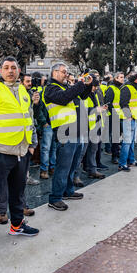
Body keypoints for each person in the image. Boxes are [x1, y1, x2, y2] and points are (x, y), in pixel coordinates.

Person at [0, 57, 40, 264]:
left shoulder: (23, 91)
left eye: (14, 68)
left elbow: (30, 118)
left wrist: (32, 143)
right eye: (6, 68)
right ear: (0, 70)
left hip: (22, 151)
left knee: (18, 193)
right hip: (1, 153)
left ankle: (17, 225)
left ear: (19, 70)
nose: (10, 71)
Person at [43, 63, 92, 211]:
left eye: (66, 72)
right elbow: (64, 98)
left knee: (72, 165)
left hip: (75, 131)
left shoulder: (65, 87)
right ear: (55, 72)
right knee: (63, 168)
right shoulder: (51, 88)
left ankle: (68, 191)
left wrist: (87, 85)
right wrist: (80, 83)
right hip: (65, 133)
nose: (66, 74)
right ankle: (55, 198)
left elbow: (82, 95)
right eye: (64, 72)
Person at [118, 73, 137, 171]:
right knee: (127, 141)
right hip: (129, 119)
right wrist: (129, 116)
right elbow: (123, 103)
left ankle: (131, 160)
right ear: (136, 80)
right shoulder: (127, 88)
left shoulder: (134, 88)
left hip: (134, 118)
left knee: (131, 141)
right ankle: (122, 163)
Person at [104, 72, 125, 164]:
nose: (122, 79)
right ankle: (114, 156)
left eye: (123, 77)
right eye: (120, 77)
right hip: (113, 116)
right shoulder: (111, 88)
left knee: (118, 136)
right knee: (115, 137)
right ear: (115, 78)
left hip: (119, 115)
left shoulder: (119, 88)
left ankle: (117, 153)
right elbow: (108, 103)